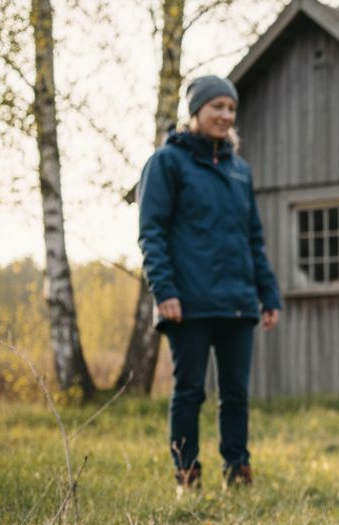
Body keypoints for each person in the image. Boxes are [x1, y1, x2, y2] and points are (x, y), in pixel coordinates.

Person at [138, 75, 281, 493]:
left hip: (237, 301)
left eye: (231, 109)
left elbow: (253, 238)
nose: (225, 115)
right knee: (190, 392)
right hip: (188, 301)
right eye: (217, 107)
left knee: (236, 394)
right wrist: (164, 291)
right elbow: (152, 232)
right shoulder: (167, 162)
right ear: (195, 111)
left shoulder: (239, 171)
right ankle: (187, 477)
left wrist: (267, 294)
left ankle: (237, 473)